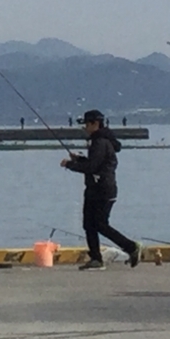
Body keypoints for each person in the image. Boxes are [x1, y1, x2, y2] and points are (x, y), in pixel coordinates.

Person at [61, 109, 141, 271]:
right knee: (89, 225)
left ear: (94, 124)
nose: (84, 127)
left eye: (86, 124)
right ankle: (96, 259)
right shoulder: (99, 141)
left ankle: (131, 247)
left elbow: (92, 167)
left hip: (102, 190)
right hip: (94, 189)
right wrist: (80, 159)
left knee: (100, 224)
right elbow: (96, 163)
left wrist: (70, 165)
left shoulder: (100, 142)